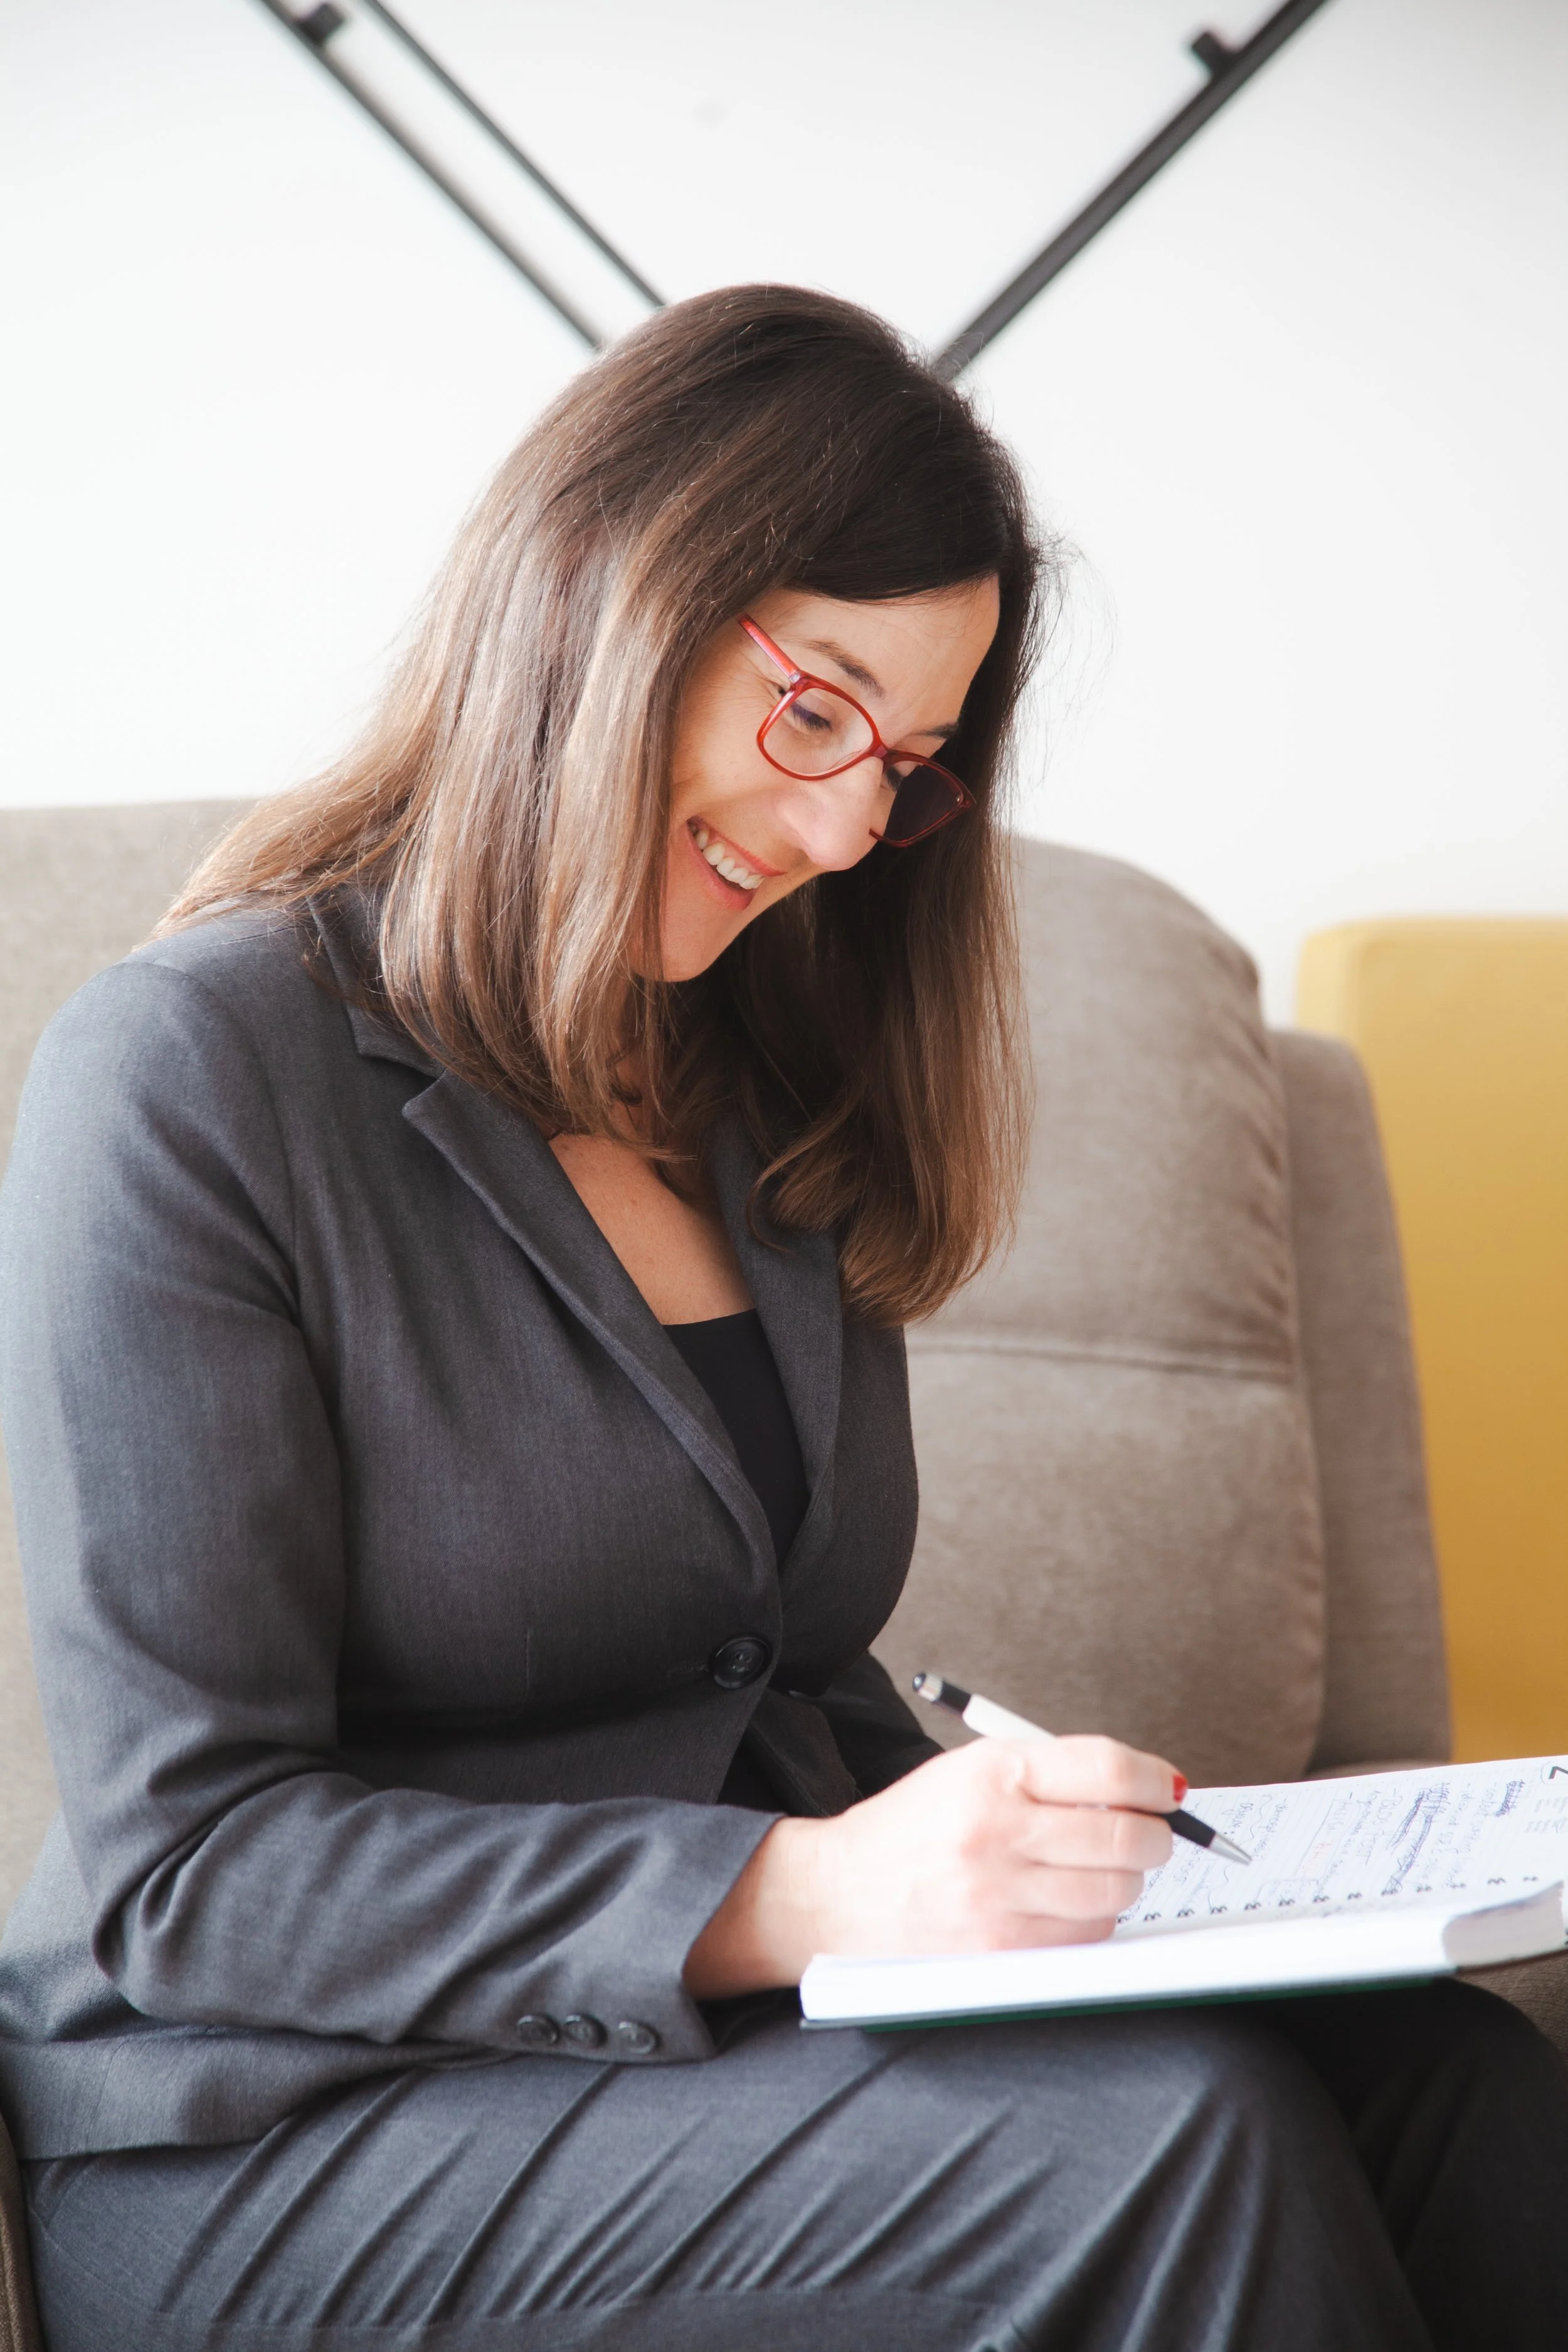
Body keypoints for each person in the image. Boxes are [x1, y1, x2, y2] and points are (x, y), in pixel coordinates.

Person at [2, 285, 1566, 2352]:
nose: (840, 830)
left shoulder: (755, 1086)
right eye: (813, 711)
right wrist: (823, 1893)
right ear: (603, 605)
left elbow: (777, 1668)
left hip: (702, 2054)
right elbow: (194, 1865)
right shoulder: (191, 1074)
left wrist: (1110, 1881)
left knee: (1449, 2090)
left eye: (901, 767)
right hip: (275, 2128)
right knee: (1169, 2143)